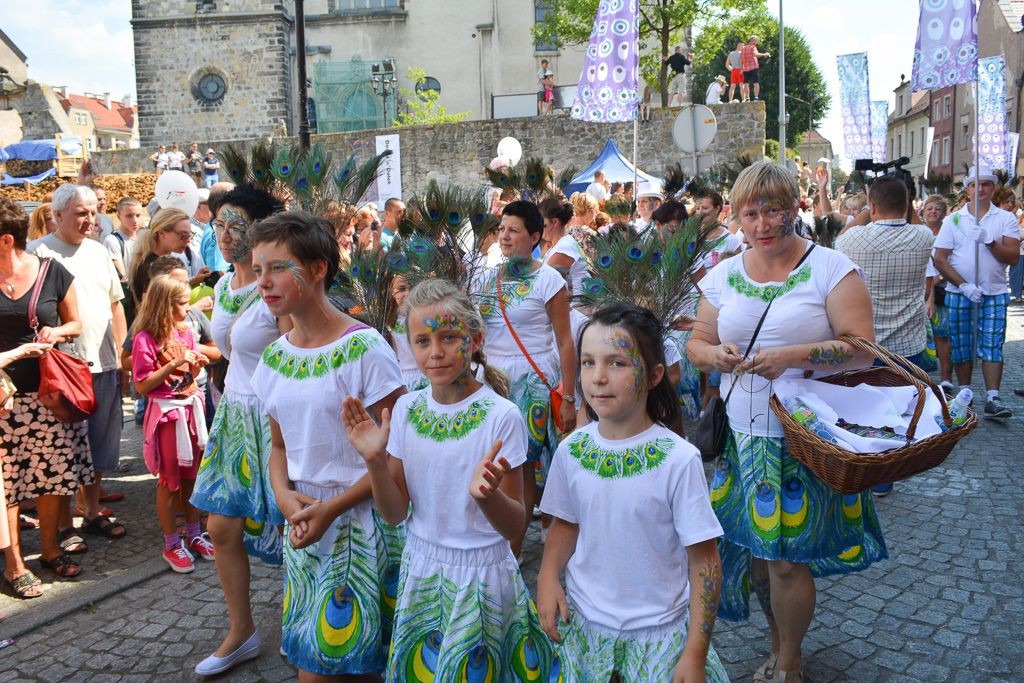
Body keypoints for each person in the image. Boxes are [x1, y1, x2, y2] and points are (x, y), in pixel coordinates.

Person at [687, 161, 887, 682]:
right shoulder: (724, 274)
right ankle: (777, 645)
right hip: (742, 438)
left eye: (773, 210)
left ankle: (790, 662)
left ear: (795, 207)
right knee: (760, 553)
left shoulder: (831, 268)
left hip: (804, 438)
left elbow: (862, 348)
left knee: (785, 559)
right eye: (750, 213)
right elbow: (697, 343)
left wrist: (791, 356)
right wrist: (715, 356)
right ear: (736, 215)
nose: (762, 225)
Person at [344, 278, 555, 680]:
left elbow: (515, 527)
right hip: (422, 570)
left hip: (481, 576)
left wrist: (488, 497)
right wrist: (374, 461)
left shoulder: (501, 417)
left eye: (449, 337)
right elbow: (394, 513)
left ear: (475, 340)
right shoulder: (406, 410)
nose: (436, 352)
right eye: (422, 341)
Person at [249, 211, 405, 679]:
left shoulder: (366, 350)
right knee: (314, 663)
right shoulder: (274, 358)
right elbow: (279, 447)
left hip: (363, 522)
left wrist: (331, 509)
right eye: (258, 270)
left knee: (358, 663)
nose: (264, 281)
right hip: (305, 524)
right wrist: (283, 496)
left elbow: (397, 455)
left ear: (318, 269)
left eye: (278, 267)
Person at [538, 303, 727, 681]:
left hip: (658, 639)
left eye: (617, 363)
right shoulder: (571, 451)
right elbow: (566, 524)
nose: (598, 378)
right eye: (588, 362)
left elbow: (704, 561)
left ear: (655, 374)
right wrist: (547, 576)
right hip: (585, 630)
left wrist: (695, 652)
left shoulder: (678, 460)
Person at [189, 184, 289, 677]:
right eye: (219, 226)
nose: (226, 235)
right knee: (220, 527)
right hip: (233, 415)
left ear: (261, 229)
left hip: (277, 418)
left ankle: (302, 619)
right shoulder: (225, 285)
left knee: (293, 528)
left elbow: (296, 354)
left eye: (237, 226)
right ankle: (241, 630)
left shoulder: (277, 289)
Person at [29, 184, 129, 547]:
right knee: (63, 450)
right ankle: (63, 525)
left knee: (100, 446)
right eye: (81, 214)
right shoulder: (38, 252)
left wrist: (121, 356)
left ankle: (91, 511)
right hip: (61, 369)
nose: (90, 220)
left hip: (103, 362)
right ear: (57, 216)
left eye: (93, 213)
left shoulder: (99, 251)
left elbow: (115, 305)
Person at [475, 200, 576, 557]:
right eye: (502, 229)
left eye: (513, 230)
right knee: (493, 458)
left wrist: (569, 395)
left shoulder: (548, 280)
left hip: (532, 382)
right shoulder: (485, 279)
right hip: (491, 380)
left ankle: (513, 550)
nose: (504, 236)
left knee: (521, 463)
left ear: (534, 237)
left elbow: (565, 341)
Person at [0, 196, 86, 590]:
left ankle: (50, 550)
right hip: (3, 399)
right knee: (6, 485)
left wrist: (57, 331)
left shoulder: (52, 272)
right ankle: (15, 565)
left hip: (47, 395)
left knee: (51, 478)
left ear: (6, 240)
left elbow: (76, 323)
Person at [131, 275, 213, 573]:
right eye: (182, 303)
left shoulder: (186, 332)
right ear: (165, 305)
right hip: (166, 416)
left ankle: (193, 534)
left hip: (190, 409)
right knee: (169, 481)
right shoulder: (144, 338)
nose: (188, 308)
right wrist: (173, 364)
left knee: (192, 477)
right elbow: (142, 385)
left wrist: (195, 364)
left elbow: (189, 374)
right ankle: (171, 543)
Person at [933, 165, 1020, 418]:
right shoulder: (954, 220)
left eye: (986, 184)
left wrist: (990, 241)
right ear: (968, 189)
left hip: (994, 292)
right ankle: (965, 393)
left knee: (993, 344)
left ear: (993, 188)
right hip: (959, 292)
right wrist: (963, 285)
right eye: (975, 184)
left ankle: (993, 398)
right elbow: (940, 259)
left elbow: (1013, 256)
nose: (980, 189)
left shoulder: (1005, 219)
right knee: (961, 345)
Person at [921, 195, 954, 394]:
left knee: (942, 335)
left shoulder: (948, 233)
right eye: (929, 208)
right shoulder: (919, 233)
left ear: (944, 213)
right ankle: (922, 380)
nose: (933, 212)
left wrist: (938, 278)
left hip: (942, 291)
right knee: (922, 339)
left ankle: (946, 379)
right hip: (921, 292)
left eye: (937, 209)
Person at [129, 208, 195, 307]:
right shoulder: (151, 267)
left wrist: (194, 280)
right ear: (162, 233)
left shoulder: (159, 261)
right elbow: (153, 311)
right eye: (183, 235)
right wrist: (198, 307)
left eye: (189, 235)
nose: (188, 240)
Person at [539, 198, 588, 296]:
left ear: (554, 222)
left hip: (575, 304)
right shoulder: (562, 244)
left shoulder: (563, 249)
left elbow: (543, 284)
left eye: (541, 223)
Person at [740, 37, 771, 102]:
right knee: (756, 83)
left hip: (745, 68)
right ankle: (756, 98)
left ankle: (747, 98)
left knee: (746, 84)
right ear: (752, 41)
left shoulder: (743, 48)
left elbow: (741, 59)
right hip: (753, 67)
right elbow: (755, 54)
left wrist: (741, 68)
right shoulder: (753, 47)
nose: (756, 43)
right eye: (756, 41)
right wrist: (764, 54)